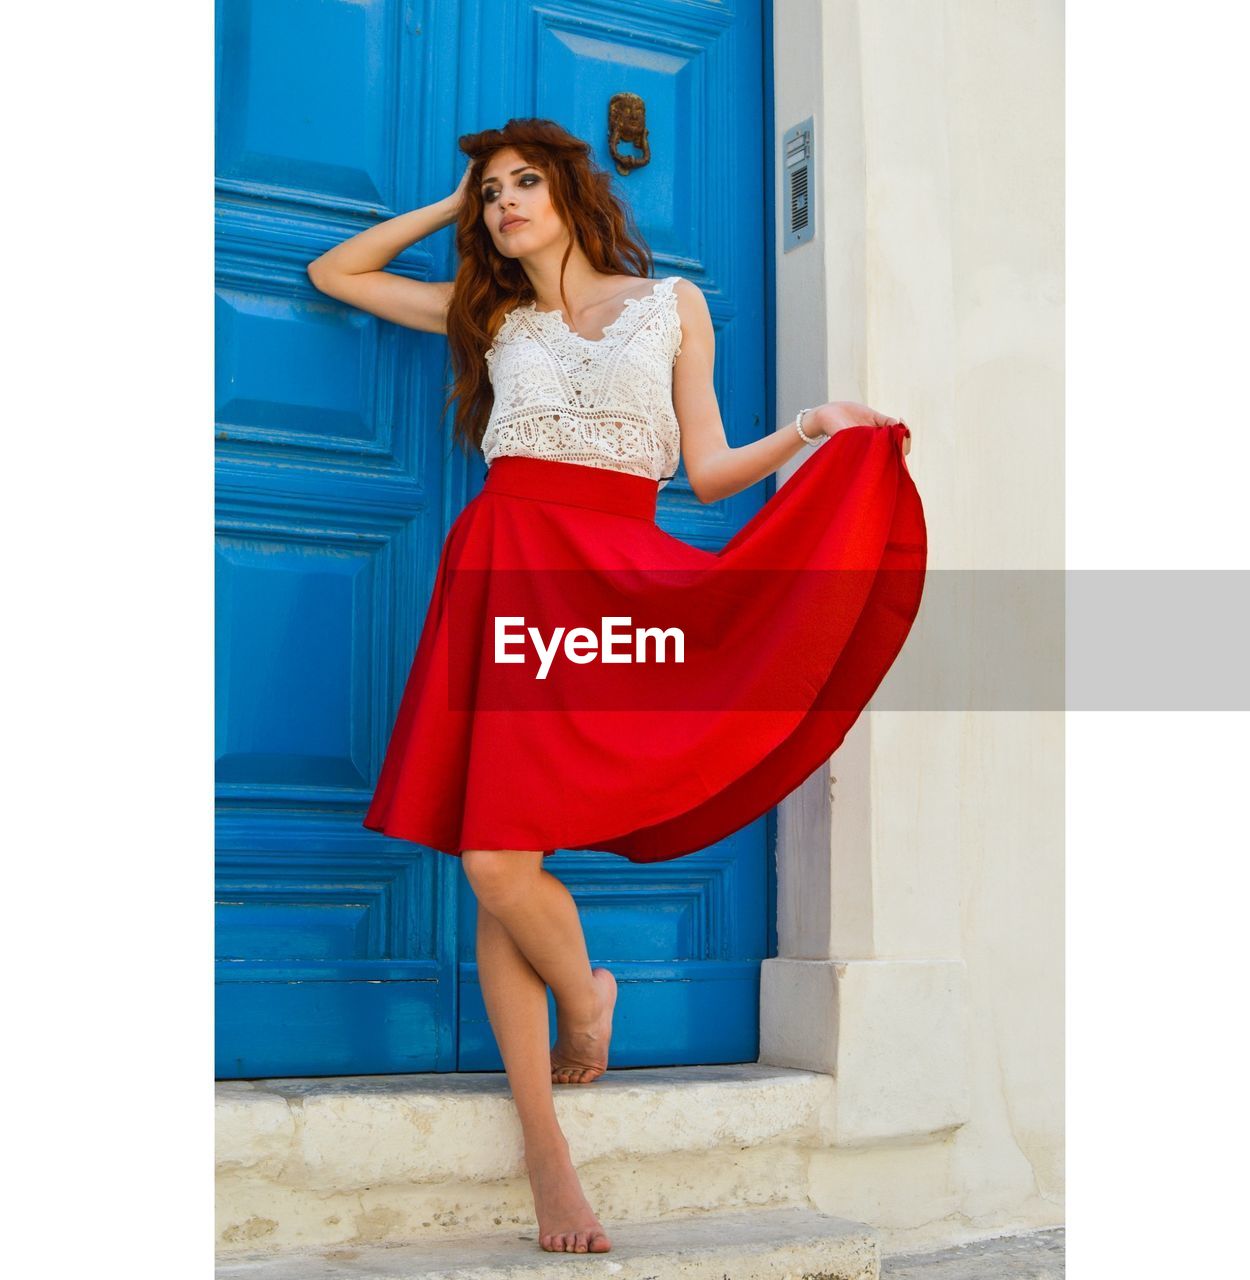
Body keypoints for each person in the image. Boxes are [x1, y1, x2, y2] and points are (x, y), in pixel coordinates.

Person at [307, 118, 926, 1256]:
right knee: (499, 853)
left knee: (507, 855)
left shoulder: (672, 304)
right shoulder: (487, 314)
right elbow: (332, 272)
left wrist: (810, 429)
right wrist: (452, 211)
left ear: (572, 190)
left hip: (619, 581)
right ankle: (556, 1119)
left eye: (522, 183)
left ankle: (580, 1010)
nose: (503, 203)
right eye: (489, 191)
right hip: (504, 581)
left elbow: (704, 467)